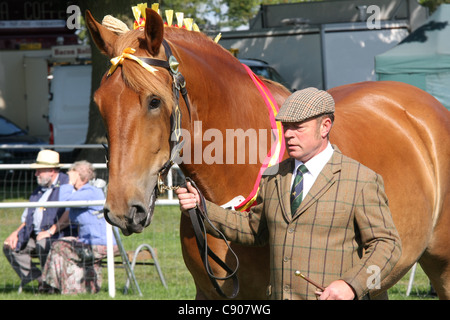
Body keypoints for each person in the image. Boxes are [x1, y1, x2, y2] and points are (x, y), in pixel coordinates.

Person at [176, 87, 402, 300]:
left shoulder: (360, 179)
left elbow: (387, 245)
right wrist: (202, 209)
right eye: (286, 127)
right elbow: (255, 229)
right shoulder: (274, 176)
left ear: (324, 127)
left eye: (298, 127)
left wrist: (352, 285)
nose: (289, 135)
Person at [3, 149, 75, 292]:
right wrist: (16, 233)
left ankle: (51, 284)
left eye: (39, 170)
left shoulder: (67, 185)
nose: (36, 174)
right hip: (34, 234)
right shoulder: (39, 190)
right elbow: (28, 217)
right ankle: (41, 279)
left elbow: (70, 213)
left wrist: (50, 231)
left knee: (43, 243)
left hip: (59, 234)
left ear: (51, 170)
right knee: (9, 246)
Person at [41, 160, 116, 294]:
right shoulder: (81, 193)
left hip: (101, 244)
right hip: (88, 242)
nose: (68, 177)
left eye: (72, 174)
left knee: (59, 246)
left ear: (81, 176)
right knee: (60, 246)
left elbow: (64, 201)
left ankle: (50, 287)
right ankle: (59, 288)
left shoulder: (91, 192)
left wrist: (69, 183)